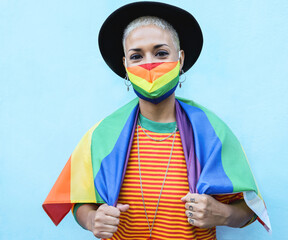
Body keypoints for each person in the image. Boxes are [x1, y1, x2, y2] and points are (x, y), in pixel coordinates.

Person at [43, 2, 271, 239]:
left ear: (180, 59)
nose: (149, 64)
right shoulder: (102, 134)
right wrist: (92, 220)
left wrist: (222, 214)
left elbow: (249, 209)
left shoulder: (211, 133)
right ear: (126, 66)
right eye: (136, 56)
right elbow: (81, 202)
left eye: (161, 53)